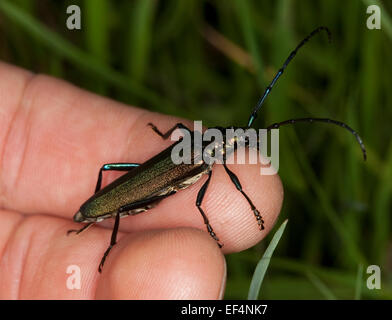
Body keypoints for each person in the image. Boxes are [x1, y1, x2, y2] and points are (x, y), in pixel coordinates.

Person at [0, 62, 283, 299]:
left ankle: (95, 218)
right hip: (138, 193)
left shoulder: (205, 145)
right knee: (116, 187)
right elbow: (201, 201)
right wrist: (211, 222)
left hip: (154, 184)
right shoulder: (204, 157)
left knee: (114, 172)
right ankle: (104, 236)